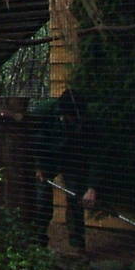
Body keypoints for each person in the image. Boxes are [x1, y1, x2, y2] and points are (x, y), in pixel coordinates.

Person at [28, 89, 99, 258]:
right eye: (72, 117)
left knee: (75, 197)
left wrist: (92, 187)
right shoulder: (43, 113)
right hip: (45, 158)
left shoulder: (88, 121)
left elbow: (95, 154)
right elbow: (29, 140)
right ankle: (39, 244)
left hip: (71, 158)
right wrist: (38, 166)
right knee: (42, 200)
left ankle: (78, 246)